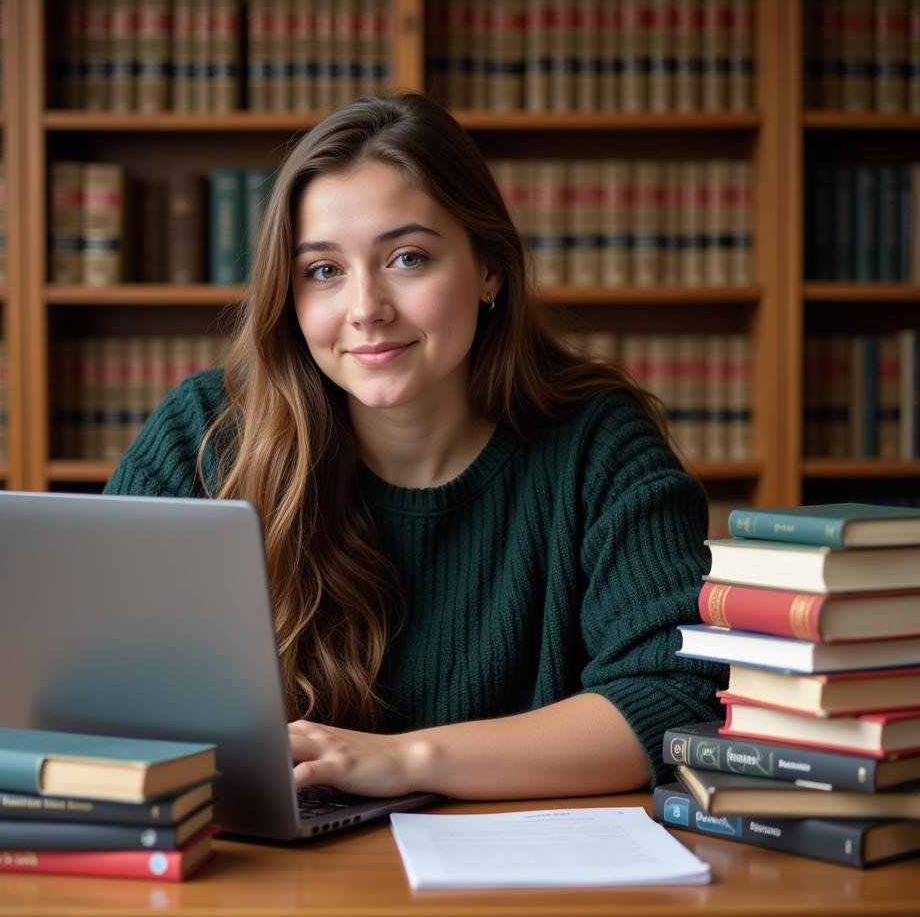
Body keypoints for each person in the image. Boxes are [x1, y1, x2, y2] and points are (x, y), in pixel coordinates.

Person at [105, 92, 725, 801]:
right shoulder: (207, 436)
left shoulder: (598, 446)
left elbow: (677, 698)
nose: (366, 307)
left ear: (489, 268)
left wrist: (406, 760)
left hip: (523, 884)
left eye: (407, 257)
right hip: (266, 880)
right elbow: (90, 680)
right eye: (324, 271)